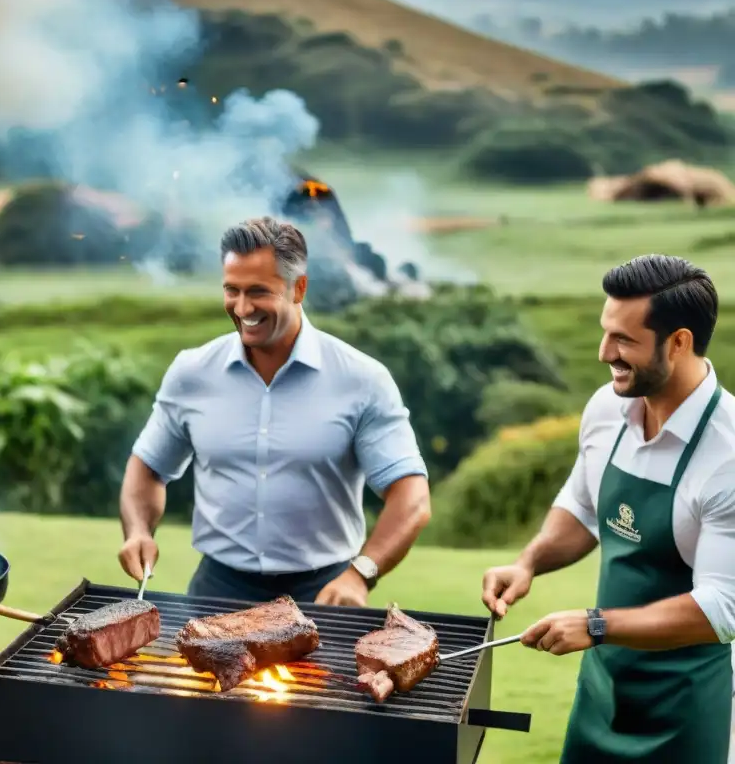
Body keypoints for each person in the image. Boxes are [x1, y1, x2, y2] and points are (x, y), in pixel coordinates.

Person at [479, 255, 735, 763]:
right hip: (603, 692)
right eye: (604, 332)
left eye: (624, 340)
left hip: (688, 708)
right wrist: (528, 562)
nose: (604, 353)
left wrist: (595, 625)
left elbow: (720, 610)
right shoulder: (606, 410)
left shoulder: (727, 455)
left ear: (679, 342)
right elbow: (583, 506)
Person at [117, 216, 431, 606]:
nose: (243, 307)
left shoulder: (362, 379)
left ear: (298, 288)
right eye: (232, 290)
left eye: (258, 292)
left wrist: (361, 573)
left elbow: (412, 497)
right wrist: (138, 532)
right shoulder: (192, 372)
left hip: (324, 592)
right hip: (218, 591)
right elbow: (147, 467)